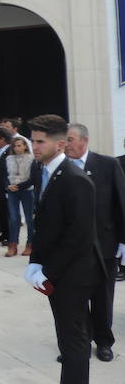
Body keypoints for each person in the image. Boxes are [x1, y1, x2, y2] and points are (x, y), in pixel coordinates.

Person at [25, 114, 104, 384]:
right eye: (33, 140)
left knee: (73, 339)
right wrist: (35, 260)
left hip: (73, 274)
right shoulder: (46, 171)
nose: (34, 146)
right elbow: (45, 224)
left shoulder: (74, 178)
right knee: (67, 338)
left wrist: (47, 271)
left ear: (60, 143)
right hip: (60, 269)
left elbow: (79, 236)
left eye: (40, 141)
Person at [64, 123, 125, 363]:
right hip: (72, 249)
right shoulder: (60, 168)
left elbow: (121, 204)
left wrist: (123, 241)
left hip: (105, 245)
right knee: (74, 299)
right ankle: (79, 343)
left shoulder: (108, 165)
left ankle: (103, 341)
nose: (66, 144)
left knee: (102, 296)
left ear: (84, 141)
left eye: (70, 139)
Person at [5, 137, 36, 258]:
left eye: (19, 145)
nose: (17, 148)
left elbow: (33, 178)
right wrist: (8, 185)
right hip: (12, 190)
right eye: (15, 146)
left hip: (26, 190)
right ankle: (12, 244)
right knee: (13, 218)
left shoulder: (31, 158)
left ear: (25, 146)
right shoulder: (8, 158)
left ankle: (30, 244)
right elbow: (4, 175)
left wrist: (19, 186)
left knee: (29, 219)